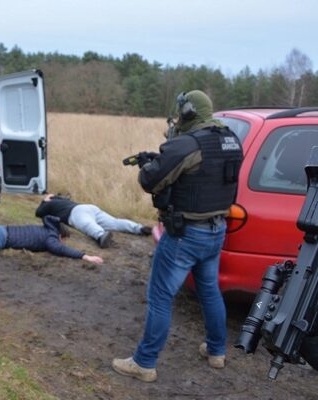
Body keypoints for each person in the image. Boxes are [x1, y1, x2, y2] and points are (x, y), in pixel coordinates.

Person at [111, 90, 243, 382]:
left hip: (186, 234)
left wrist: (149, 164)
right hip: (216, 229)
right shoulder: (231, 139)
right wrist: (161, 158)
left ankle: (144, 363)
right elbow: (201, 171)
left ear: (187, 113)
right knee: (209, 291)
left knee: (159, 296)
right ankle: (216, 351)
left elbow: (151, 180)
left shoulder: (186, 144)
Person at [35, 193, 152, 248]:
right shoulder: (62, 201)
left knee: (87, 224)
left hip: (76, 212)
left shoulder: (50, 204)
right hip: (90, 207)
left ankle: (101, 236)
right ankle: (139, 228)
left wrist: (44, 201)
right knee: (114, 222)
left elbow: (38, 213)